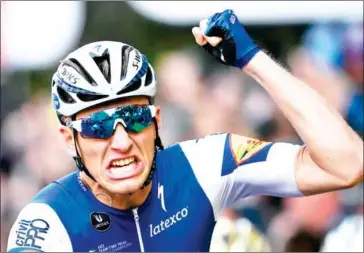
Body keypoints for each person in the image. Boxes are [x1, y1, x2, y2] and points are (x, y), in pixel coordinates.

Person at [7, 9, 363, 252]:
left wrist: (253, 59)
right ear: (70, 140)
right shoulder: (47, 222)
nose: (120, 141)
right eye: (97, 126)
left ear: (156, 121)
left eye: (134, 118)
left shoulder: (204, 166)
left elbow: (345, 164)